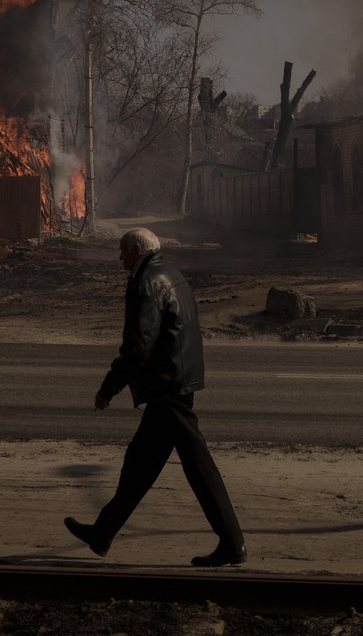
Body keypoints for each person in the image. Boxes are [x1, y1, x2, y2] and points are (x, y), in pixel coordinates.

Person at [64, 226, 246, 567]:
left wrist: (108, 389)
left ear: (136, 249)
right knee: (139, 465)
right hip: (177, 379)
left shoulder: (145, 282)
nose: (119, 257)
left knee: (199, 468)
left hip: (168, 387)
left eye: (122, 250)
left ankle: (233, 543)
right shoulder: (169, 271)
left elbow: (137, 347)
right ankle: (103, 532)